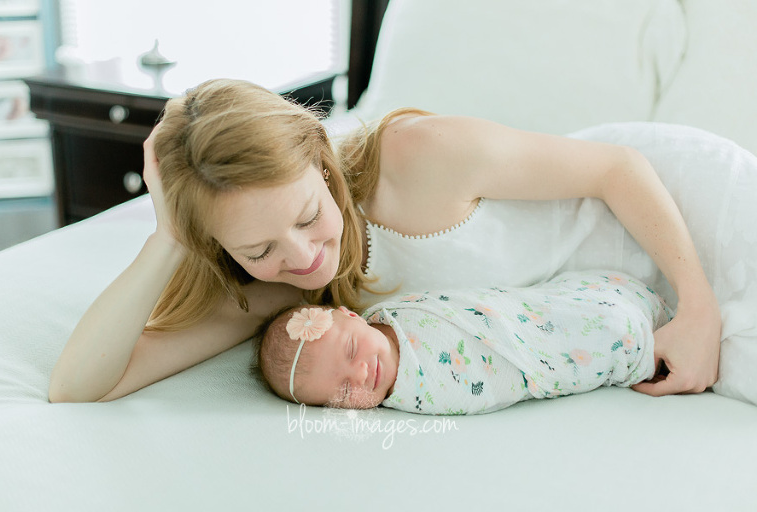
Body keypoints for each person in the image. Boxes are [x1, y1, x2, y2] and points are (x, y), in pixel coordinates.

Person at [49, 77, 756, 405]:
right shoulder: (279, 294)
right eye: (256, 248)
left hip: (670, 219)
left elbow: (617, 170)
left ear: (322, 163)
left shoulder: (416, 158)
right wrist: (170, 237)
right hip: (618, 311)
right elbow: (80, 386)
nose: (299, 258)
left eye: (304, 217)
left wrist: (696, 306)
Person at [256, 271, 674, 414]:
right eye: (344, 391)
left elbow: (479, 303)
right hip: (533, 357)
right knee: (607, 333)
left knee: (568, 307)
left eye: (350, 352)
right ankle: (637, 341)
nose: (362, 373)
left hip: (525, 313)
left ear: (351, 316)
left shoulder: (393, 312)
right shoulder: (416, 394)